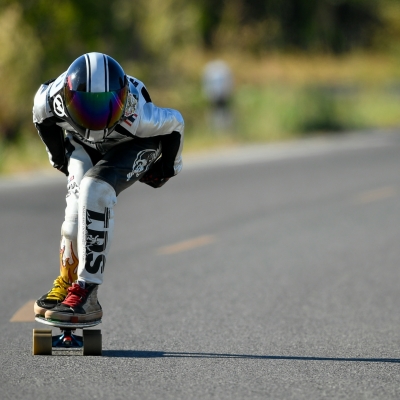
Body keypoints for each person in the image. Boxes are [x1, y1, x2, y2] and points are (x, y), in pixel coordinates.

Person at [32, 52, 184, 323]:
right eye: (86, 108)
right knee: (73, 217)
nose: (96, 119)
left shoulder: (140, 116)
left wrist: (166, 169)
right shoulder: (49, 100)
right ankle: (68, 283)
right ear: (66, 99)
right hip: (82, 142)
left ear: (123, 102)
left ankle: (88, 293)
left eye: (105, 107)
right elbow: (40, 118)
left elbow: (175, 125)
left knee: (95, 190)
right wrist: (59, 160)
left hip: (134, 143)